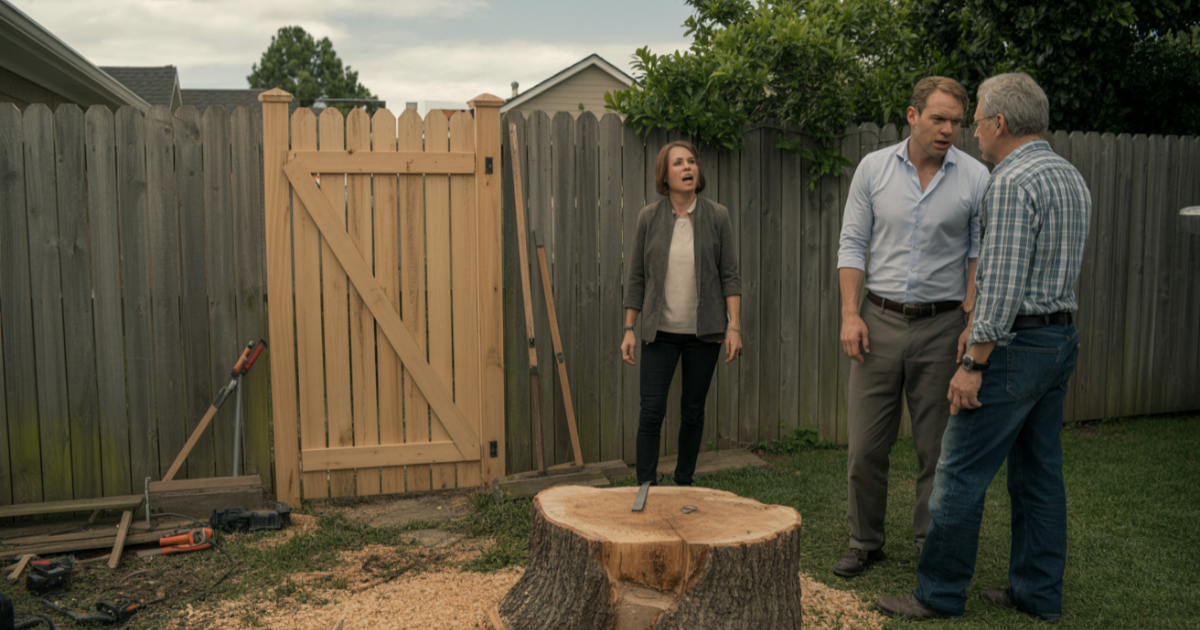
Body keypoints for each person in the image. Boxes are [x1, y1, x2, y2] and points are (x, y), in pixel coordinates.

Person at [876, 72, 1091, 621]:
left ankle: (939, 594)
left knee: (958, 472)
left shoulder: (1012, 182)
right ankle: (1037, 592)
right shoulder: (1069, 176)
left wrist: (973, 362)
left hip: (1015, 346)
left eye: (974, 123)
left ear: (999, 122)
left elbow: (1003, 281)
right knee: (1038, 473)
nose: (971, 134)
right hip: (1059, 340)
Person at [833, 77, 990, 577]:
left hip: (943, 326)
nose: (948, 130)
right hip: (877, 322)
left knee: (937, 449)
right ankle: (864, 541)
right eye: (938, 119)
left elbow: (977, 253)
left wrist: (971, 316)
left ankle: (929, 542)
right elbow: (853, 243)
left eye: (956, 122)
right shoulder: (873, 169)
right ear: (912, 115)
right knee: (864, 447)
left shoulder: (975, 177)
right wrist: (850, 313)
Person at [621, 140, 742, 487]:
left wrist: (734, 327)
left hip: (705, 334)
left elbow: (730, 275)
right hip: (659, 334)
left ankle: (684, 482)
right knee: (651, 412)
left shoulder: (718, 216)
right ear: (665, 174)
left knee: (692, 411)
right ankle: (645, 484)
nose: (687, 168)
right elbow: (636, 278)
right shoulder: (649, 218)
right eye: (678, 163)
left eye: (691, 162)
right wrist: (629, 327)